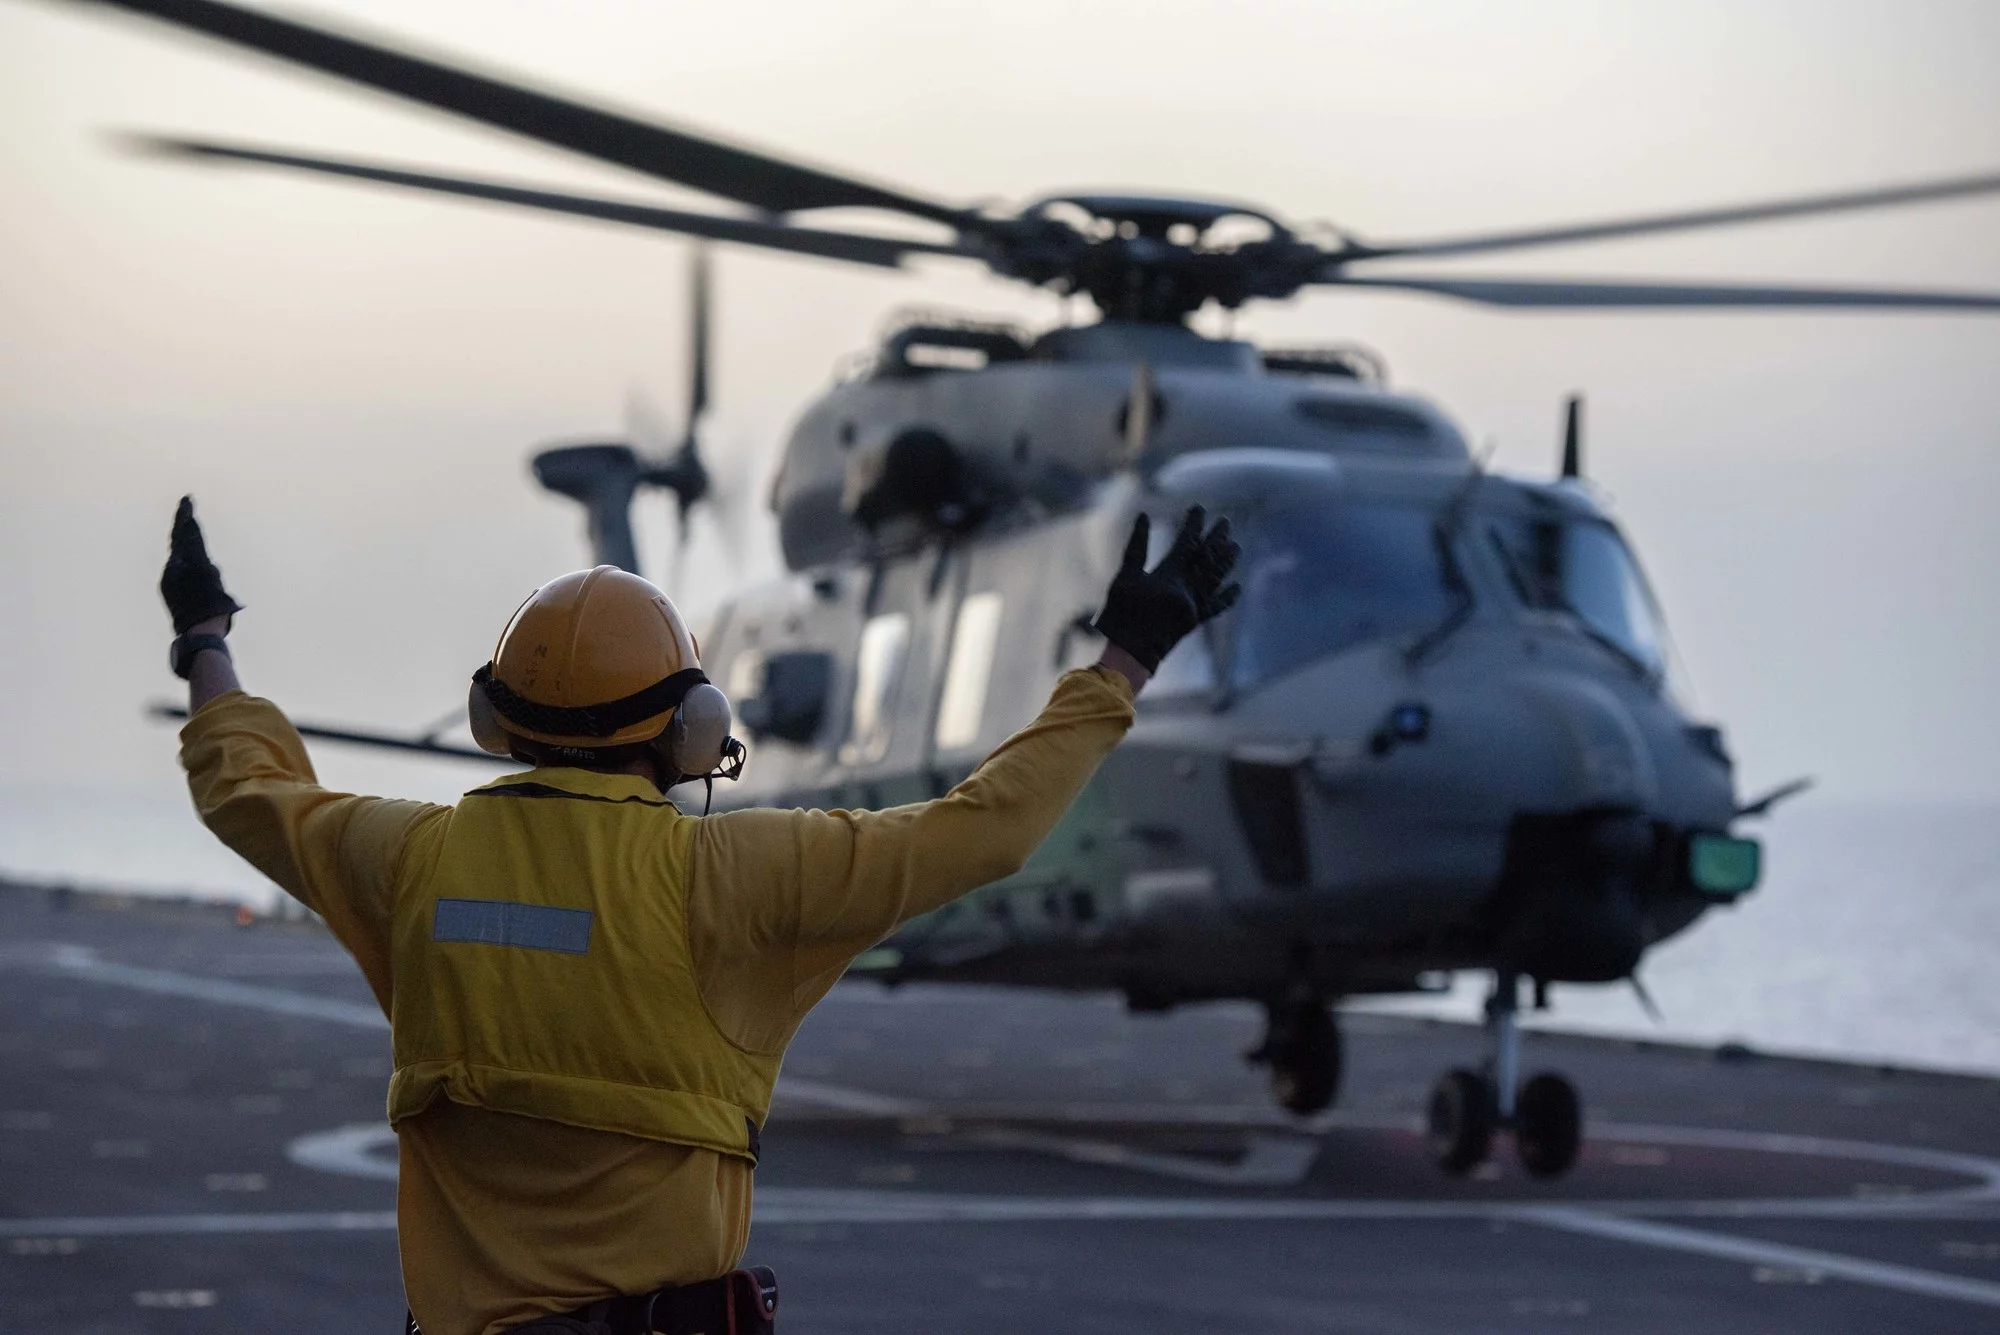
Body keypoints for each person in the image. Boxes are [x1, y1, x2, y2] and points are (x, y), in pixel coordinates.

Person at [160, 496, 1238, 1335]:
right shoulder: (740, 874)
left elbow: (248, 792)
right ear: (691, 729)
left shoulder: (406, 859)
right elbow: (986, 827)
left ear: (496, 716)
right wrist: (1122, 662)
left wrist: (205, 639)